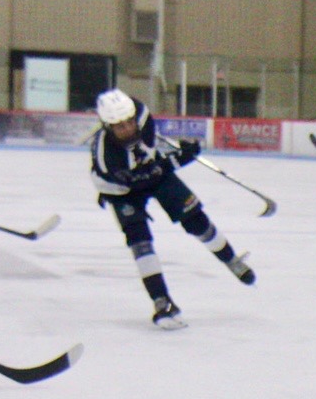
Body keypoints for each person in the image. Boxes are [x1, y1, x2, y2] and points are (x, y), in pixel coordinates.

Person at [90, 89, 255, 329]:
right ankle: (161, 301)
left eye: (129, 122)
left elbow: (150, 148)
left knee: (197, 221)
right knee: (140, 241)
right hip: (121, 190)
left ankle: (232, 260)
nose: (127, 129)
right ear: (107, 126)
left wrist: (177, 153)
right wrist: (177, 160)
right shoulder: (107, 156)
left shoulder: (142, 114)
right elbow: (140, 179)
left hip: (153, 170)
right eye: (120, 127)